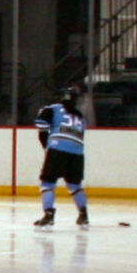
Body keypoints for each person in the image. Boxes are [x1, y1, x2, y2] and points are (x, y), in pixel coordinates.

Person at [33, 84, 88, 228]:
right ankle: (84, 215)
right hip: (77, 152)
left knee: (47, 183)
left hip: (57, 148)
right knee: (75, 185)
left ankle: (49, 214)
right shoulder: (80, 116)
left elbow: (42, 130)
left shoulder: (52, 109)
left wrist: (48, 148)